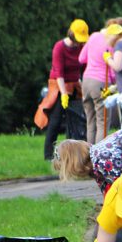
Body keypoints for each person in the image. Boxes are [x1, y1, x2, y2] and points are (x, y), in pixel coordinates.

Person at [35, 19, 88, 160]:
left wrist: (82, 87)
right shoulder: (59, 47)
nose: (80, 42)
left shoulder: (81, 48)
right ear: (71, 34)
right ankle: (48, 156)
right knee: (56, 121)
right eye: (78, 38)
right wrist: (64, 93)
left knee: (75, 121)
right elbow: (58, 72)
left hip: (75, 86)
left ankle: (71, 156)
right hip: (59, 86)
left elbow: (83, 69)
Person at [79, 25, 117, 143]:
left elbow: (81, 59)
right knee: (102, 122)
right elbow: (112, 69)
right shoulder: (110, 42)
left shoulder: (93, 36)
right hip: (101, 82)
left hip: (86, 81)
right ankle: (100, 155)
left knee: (90, 121)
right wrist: (115, 82)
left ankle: (89, 154)